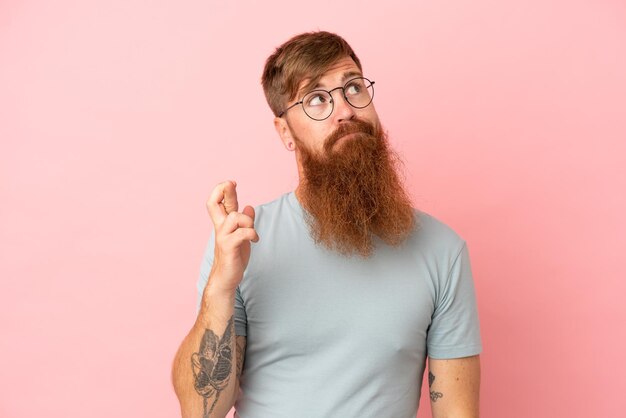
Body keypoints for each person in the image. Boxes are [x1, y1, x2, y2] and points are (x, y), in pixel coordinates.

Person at [172, 31, 482, 418]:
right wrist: (221, 285)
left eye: (353, 88)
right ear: (285, 132)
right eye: (318, 98)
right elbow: (201, 412)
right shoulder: (242, 244)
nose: (346, 110)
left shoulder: (443, 251)